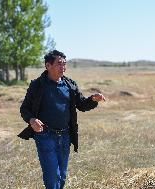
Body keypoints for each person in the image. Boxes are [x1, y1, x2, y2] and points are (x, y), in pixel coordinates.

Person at [18, 50, 105, 189]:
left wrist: (93, 99)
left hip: (65, 136)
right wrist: (32, 120)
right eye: (59, 64)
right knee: (52, 176)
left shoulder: (70, 85)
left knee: (62, 176)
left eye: (64, 64)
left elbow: (81, 105)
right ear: (48, 65)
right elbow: (24, 109)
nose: (63, 67)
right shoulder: (37, 85)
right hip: (45, 136)